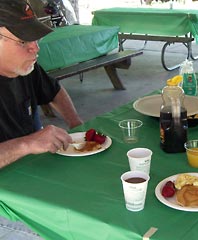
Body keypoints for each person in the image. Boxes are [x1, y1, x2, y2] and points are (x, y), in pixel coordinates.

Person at [0, 0, 83, 238]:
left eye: (36, 39)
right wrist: (27, 143)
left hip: (28, 178)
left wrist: (76, 122)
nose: (35, 48)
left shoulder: (25, 68)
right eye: (24, 41)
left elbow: (54, 91)